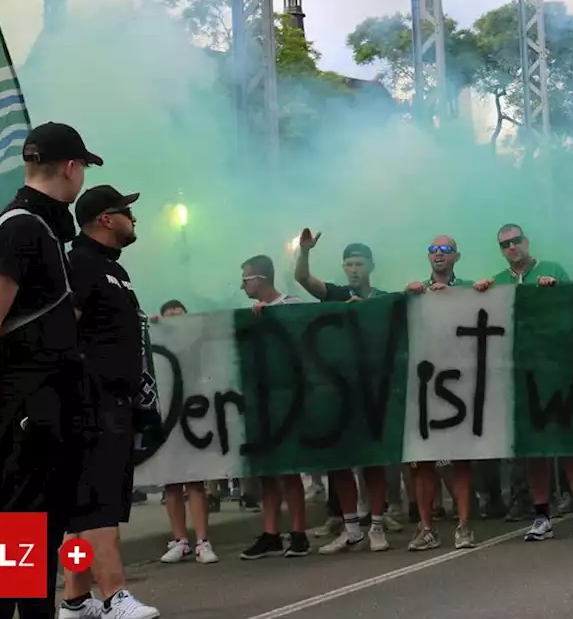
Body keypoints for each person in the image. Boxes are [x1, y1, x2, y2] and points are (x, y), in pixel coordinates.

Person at [0, 122, 95, 619]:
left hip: (40, 418)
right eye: (83, 168)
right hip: (18, 420)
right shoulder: (21, 227)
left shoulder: (41, 228)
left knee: (34, 567)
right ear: (72, 168)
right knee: (3, 563)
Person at [59, 186, 161, 619]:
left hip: (117, 402)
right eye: (126, 212)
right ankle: (115, 596)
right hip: (90, 402)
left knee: (86, 514)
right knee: (97, 505)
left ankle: (75, 601)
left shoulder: (113, 270)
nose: (133, 219)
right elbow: (64, 329)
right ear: (104, 219)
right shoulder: (79, 264)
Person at [473, 224, 573, 541]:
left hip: (558, 371)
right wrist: (478, 293)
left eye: (515, 241)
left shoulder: (553, 270)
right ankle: (541, 516)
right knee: (533, 449)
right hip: (520, 378)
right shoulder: (498, 282)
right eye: (504, 245)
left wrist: (557, 291)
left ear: (526, 242)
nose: (511, 247)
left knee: (569, 444)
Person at [292, 232, 400, 552]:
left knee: (373, 461)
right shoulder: (335, 294)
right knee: (340, 459)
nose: (353, 269)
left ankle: (377, 527)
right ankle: (351, 528)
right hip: (338, 391)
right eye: (349, 264)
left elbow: (397, 325)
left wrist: (366, 309)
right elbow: (302, 278)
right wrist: (304, 251)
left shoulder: (383, 298)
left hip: (373, 389)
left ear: (371, 266)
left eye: (359, 263)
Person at [237, 255, 314, 560]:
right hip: (261, 401)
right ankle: (271, 534)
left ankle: (298, 533)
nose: (243, 286)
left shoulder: (290, 305)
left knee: (289, 468)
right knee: (267, 470)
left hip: (288, 399)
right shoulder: (252, 314)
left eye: (246, 279)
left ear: (262, 279)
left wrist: (271, 318)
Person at [404, 235, 477, 551]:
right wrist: (410, 296)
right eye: (433, 249)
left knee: (460, 459)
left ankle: (464, 526)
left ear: (456, 257)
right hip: (424, 384)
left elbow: (482, 309)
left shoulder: (469, 286)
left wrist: (466, 293)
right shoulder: (417, 289)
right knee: (424, 459)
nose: (439, 254)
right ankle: (427, 528)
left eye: (446, 250)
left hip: (460, 382)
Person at [152, 303, 220, 564]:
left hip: (194, 417)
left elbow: (215, 331)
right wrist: (154, 324)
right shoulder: (156, 346)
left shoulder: (197, 344)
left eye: (180, 317)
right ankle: (180, 541)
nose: (175, 322)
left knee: (194, 481)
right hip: (166, 419)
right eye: (170, 318)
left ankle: (203, 542)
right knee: (171, 482)